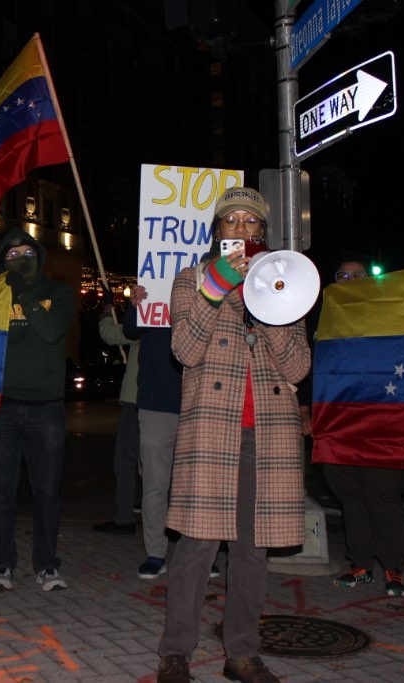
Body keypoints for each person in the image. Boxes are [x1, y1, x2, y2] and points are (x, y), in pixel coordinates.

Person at [155, 187, 310, 683]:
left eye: (251, 222)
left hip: (268, 437)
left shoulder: (287, 284)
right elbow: (184, 350)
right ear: (217, 231)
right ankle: (175, 651)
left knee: (253, 549)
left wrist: (268, 310)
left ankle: (241, 653)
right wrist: (217, 287)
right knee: (197, 547)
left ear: (262, 232)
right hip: (212, 431)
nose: (242, 230)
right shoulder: (190, 280)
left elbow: (298, 367)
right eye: (232, 221)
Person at [300, 255, 404, 597]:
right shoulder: (323, 319)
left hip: (380, 421)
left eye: (357, 275)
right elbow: (307, 364)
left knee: (382, 494)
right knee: (350, 495)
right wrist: (306, 411)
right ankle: (361, 564)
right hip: (336, 422)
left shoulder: (390, 317)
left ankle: (393, 567)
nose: (349, 280)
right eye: (342, 275)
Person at [0, 227, 75, 592]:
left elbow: (52, 332)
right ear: (1, 262)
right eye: (11, 255)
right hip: (0, 408)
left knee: (47, 493)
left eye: (26, 253)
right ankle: (2, 564)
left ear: (38, 256)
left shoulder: (59, 292)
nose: (19, 259)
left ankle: (47, 566)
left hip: (46, 409)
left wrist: (25, 294)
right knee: (1, 492)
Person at [121, 286, 187, 580]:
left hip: (199, 402)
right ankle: (155, 552)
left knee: (197, 486)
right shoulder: (152, 291)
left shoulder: (210, 286)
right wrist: (135, 303)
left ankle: (197, 551)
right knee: (155, 483)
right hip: (156, 403)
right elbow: (131, 329)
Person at [92, 284, 141, 535]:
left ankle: (125, 517)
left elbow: (110, 334)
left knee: (125, 461)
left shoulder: (145, 323)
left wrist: (107, 309)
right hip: (170, 403)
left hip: (136, 401)